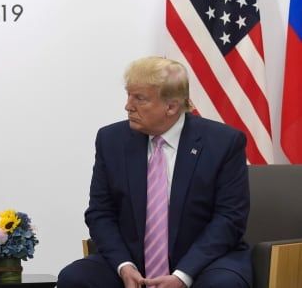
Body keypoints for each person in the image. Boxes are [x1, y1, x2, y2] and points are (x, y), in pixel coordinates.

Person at [58, 56, 252, 288]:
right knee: (75, 278)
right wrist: (124, 265)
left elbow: (229, 218)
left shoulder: (223, 143)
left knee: (223, 284)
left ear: (171, 106)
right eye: (128, 95)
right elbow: (100, 213)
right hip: (132, 261)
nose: (128, 106)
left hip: (204, 262)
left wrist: (182, 275)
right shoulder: (111, 140)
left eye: (140, 98)